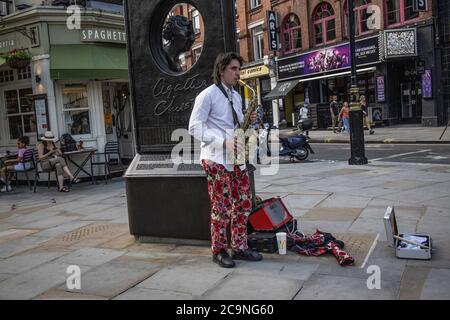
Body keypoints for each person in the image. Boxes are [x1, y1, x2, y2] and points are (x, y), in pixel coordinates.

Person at [188, 52, 262, 268]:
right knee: (220, 208)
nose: (238, 73)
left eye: (239, 69)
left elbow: (237, 127)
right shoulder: (207, 95)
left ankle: (239, 247)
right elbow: (194, 126)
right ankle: (219, 250)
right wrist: (222, 142)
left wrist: (251, 121)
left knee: (244, 202)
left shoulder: (236, 96)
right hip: (215, 158)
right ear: (221, 70)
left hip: (236, 158)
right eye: (234, 69)